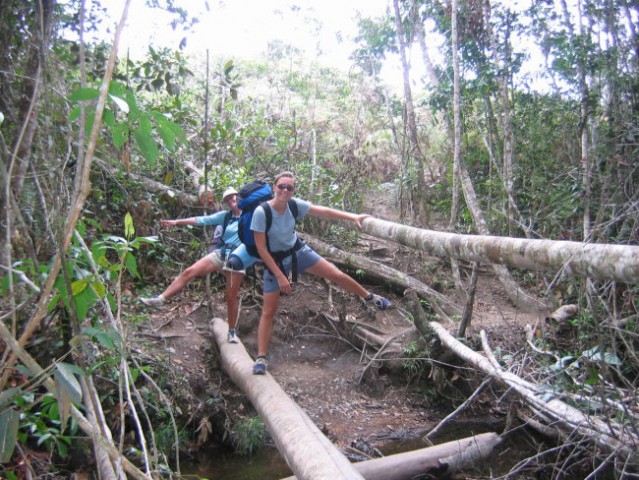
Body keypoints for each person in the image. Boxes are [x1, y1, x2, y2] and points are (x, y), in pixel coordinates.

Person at [246, 171, 391, 375]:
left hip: (298, 251)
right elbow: (261, 248)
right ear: (274, 188)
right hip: (275, 261)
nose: (285, 191)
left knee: (337, 275)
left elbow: (323, 211)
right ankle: (261, 357)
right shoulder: (262, 212)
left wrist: (353, 217)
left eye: (289, 187)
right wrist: (280, 276)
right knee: (269, 310)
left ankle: (370, 297)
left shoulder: (294, 205)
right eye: (281, 186)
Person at [139, 187, 257, 343]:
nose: (231, 200)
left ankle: (232, 332)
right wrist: (176, 222)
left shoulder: (251, 215)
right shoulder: (225, 216)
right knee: (189, 271)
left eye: (232, 197)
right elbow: (201, 220)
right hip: (221, 253)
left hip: (239, 257)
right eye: (227, 199)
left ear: (239, 197)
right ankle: (160, 299)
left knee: (231, 297)